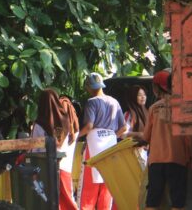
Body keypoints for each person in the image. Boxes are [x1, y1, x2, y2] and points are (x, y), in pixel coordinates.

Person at [78, 72, 128, 210]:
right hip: (111, 144)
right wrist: (112, 136)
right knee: (107, 184)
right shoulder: (114, 101)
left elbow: (89, 126)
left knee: (89, 185)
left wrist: (76, 136)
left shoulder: (92, 102)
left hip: (94, 144)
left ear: (88, 87)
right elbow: (123, 127)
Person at [142, 70, 191, 210]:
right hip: (177, 158)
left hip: (156, 160)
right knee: (178, 201)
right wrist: (188, 155)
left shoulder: (153, 108)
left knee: (152, 200)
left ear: (157, 87)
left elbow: (146, 137)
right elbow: (188, 137)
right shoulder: (181, 107)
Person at [30, 89, 80, 210]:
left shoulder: (40, 124)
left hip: (45, 167)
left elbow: (34, 147)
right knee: (67, 200)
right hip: (63, 167)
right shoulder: (66, 121)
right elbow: (60, 142)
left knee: (48, 201)